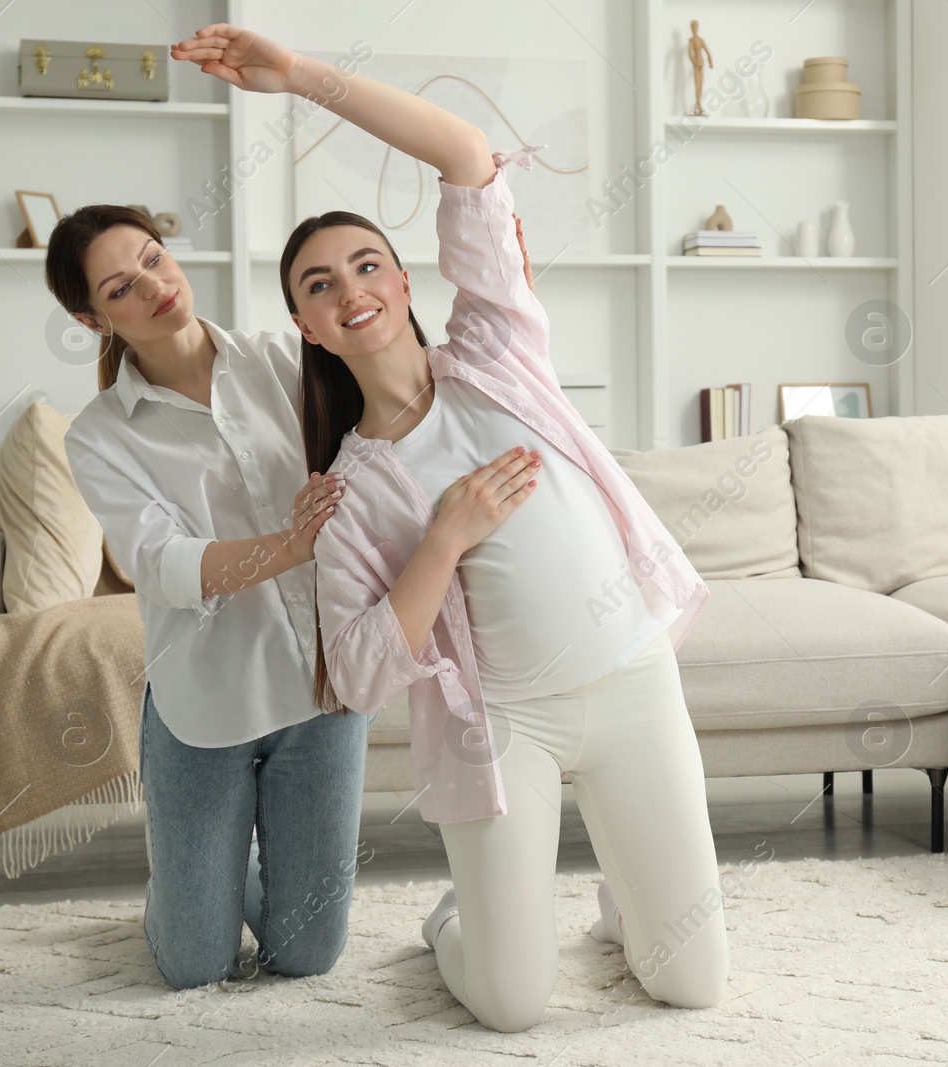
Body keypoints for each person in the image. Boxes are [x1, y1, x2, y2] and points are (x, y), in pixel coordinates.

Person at [172, 23, 730, 1032]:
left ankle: (627, 903)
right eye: (319, 283)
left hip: (634, 681)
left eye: (366, 265)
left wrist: (297, 77)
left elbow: (466, 154)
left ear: (405, 281)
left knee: (689, 983)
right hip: (506, 728)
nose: (350, 289)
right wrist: (444, 536)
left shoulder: (497, 350)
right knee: (511, 1002)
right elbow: (357, 673)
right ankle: (450, 921)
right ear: (305, 324)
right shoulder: (346, 489)